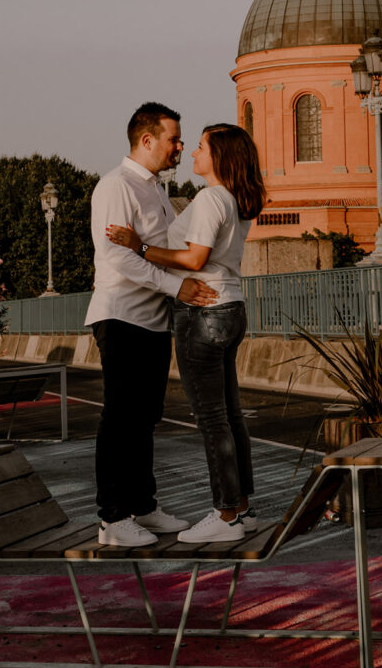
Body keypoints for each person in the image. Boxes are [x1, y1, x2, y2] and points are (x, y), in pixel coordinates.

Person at [107, 123, 266, 543]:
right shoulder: (232, 199)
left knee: (213, 419)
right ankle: (242, 509)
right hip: (230, 307)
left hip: (204, 313)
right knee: (231, 416)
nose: (190, 152)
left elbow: (194, 259)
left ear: (219, 157)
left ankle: (225, 514)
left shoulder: (211, 197)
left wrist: (138, 245)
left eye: (199, 147)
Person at [86, 102, 218, 548]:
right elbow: (117, 257)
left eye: (182, 141)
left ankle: (142, 506)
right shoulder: (115, 186)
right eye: (173, 139)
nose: (179, 146)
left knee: (145, 418)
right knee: (120, 416)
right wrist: (176, 287)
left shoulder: (157, 190)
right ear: (147, 140)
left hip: (154, 320)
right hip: (121, 314)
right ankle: (112, 518)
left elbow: (160, 247)